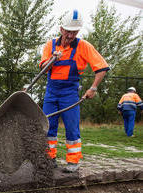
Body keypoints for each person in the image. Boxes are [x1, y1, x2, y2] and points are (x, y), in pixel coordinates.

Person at [39, 10, 109, 173]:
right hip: (51, 91)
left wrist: (93, 88)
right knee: (48, 126)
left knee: (72, 127)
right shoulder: (51, 45)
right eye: (68, 31)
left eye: (74, 32)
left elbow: (102, 68)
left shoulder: (83, 46)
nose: (70, 35)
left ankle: (73, 161)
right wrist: (52, 59)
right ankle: (50, 159)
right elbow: (42, 69)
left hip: (70, 93)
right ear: (61, 29)